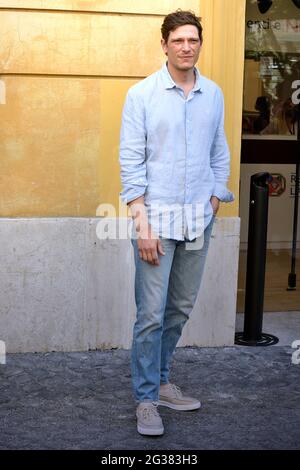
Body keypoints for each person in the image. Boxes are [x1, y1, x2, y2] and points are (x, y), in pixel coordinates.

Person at [119, 10, 234, 436]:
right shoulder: (142, 95)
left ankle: (163, 381)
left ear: (199, 44)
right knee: (150, 313)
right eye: (179, 40)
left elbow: (218, 148)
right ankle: (146, 398)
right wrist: (142, 224)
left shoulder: (214, 94)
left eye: (193, 40)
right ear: (164, 44)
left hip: (197, 221)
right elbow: (131, 161)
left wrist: (215, 194)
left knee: (179, 308)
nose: (187, 46)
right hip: (157, 221)